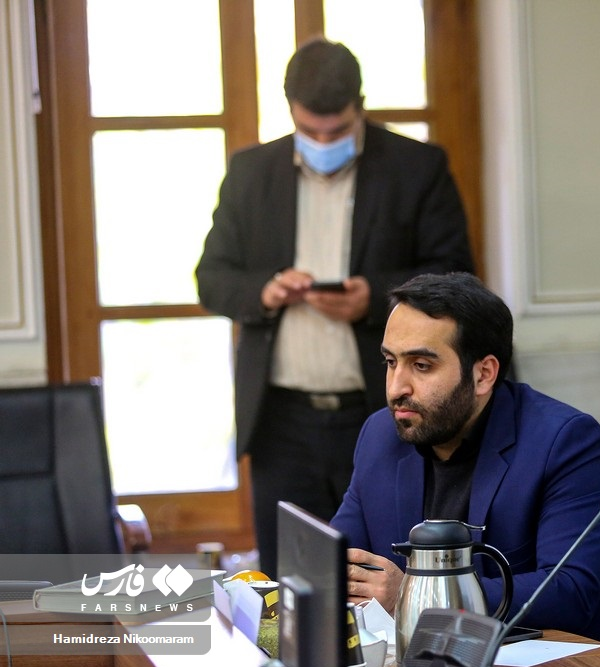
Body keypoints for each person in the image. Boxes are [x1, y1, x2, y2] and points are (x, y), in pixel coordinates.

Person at [195, 38, 474, 576]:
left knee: (383, 574)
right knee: (290, 584)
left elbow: (457, 273)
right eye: (311, 131)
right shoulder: (252, 172)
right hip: (281, 421)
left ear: (360, 107)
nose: (324, 142)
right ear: (291, 111)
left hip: (384, 414)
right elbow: (212, 279)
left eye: (338, 131)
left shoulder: (416, 167)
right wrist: (266, 291)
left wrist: (376, 299)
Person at [328, 272, 600, 661]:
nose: (397, 387)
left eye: (422, 365)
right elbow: (336, 559)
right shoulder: (380, 435)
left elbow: (571, 590)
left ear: (483, 374)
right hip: (430, 664)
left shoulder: (562, 440)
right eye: (391, 362)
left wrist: (417, 597)